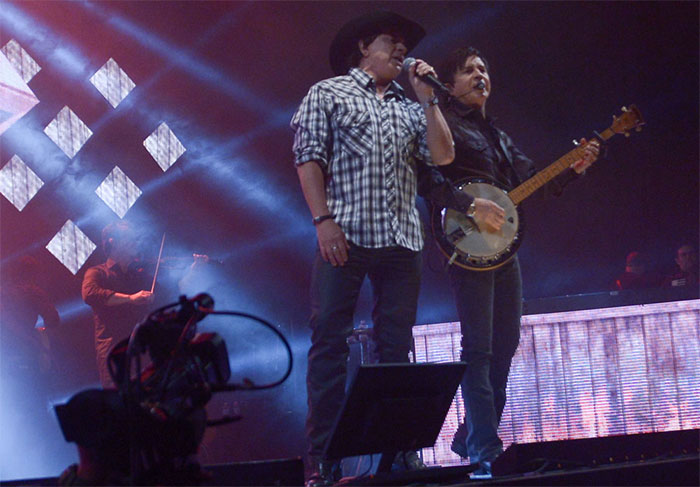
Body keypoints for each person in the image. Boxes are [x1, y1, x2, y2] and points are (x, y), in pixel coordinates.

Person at [290, 10, 454, 486]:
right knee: (329, 342)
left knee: (396, 350)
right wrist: (323, 221)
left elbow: (443, 155)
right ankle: (323, 459)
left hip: (402, 240)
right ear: (364, 46)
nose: (402, 49)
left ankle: (399, 452)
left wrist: (428, 99)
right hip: (345, 236)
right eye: (392, 40)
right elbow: (308, 158)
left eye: (406, 44)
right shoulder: (328, 93)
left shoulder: (410, 106)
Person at [432, 47, 600, 479]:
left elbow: (533, 181)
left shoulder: (498, 136)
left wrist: (573, 168)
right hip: (468, 246)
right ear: (449, 85)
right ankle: (485, 448)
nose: (480, 75)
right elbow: (432, 178)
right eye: (469, 71)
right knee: (479, 348)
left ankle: (471, 434)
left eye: (484, 69)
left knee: (505, 345)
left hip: (504, 249)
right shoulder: (444, 124)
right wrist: (471, 207)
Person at [82, 221, 155, 388]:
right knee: (119, 398)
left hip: (140, 351)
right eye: (129, 238)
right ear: (113, 242)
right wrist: (130, 298)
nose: (135, 242)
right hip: (114, 352)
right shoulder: (97, 272)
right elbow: (90, 294)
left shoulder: (137, 275)